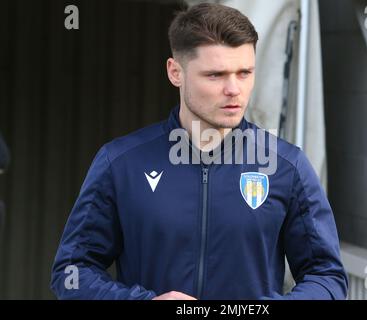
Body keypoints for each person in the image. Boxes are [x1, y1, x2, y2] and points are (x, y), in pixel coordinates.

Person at [51, 3, 348, 300]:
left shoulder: (287, 166)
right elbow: (71, 271)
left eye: (244, 73)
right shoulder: (120, 163)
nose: (234, 89)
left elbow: (327, 277)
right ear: (175, 72)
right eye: (215, 75)